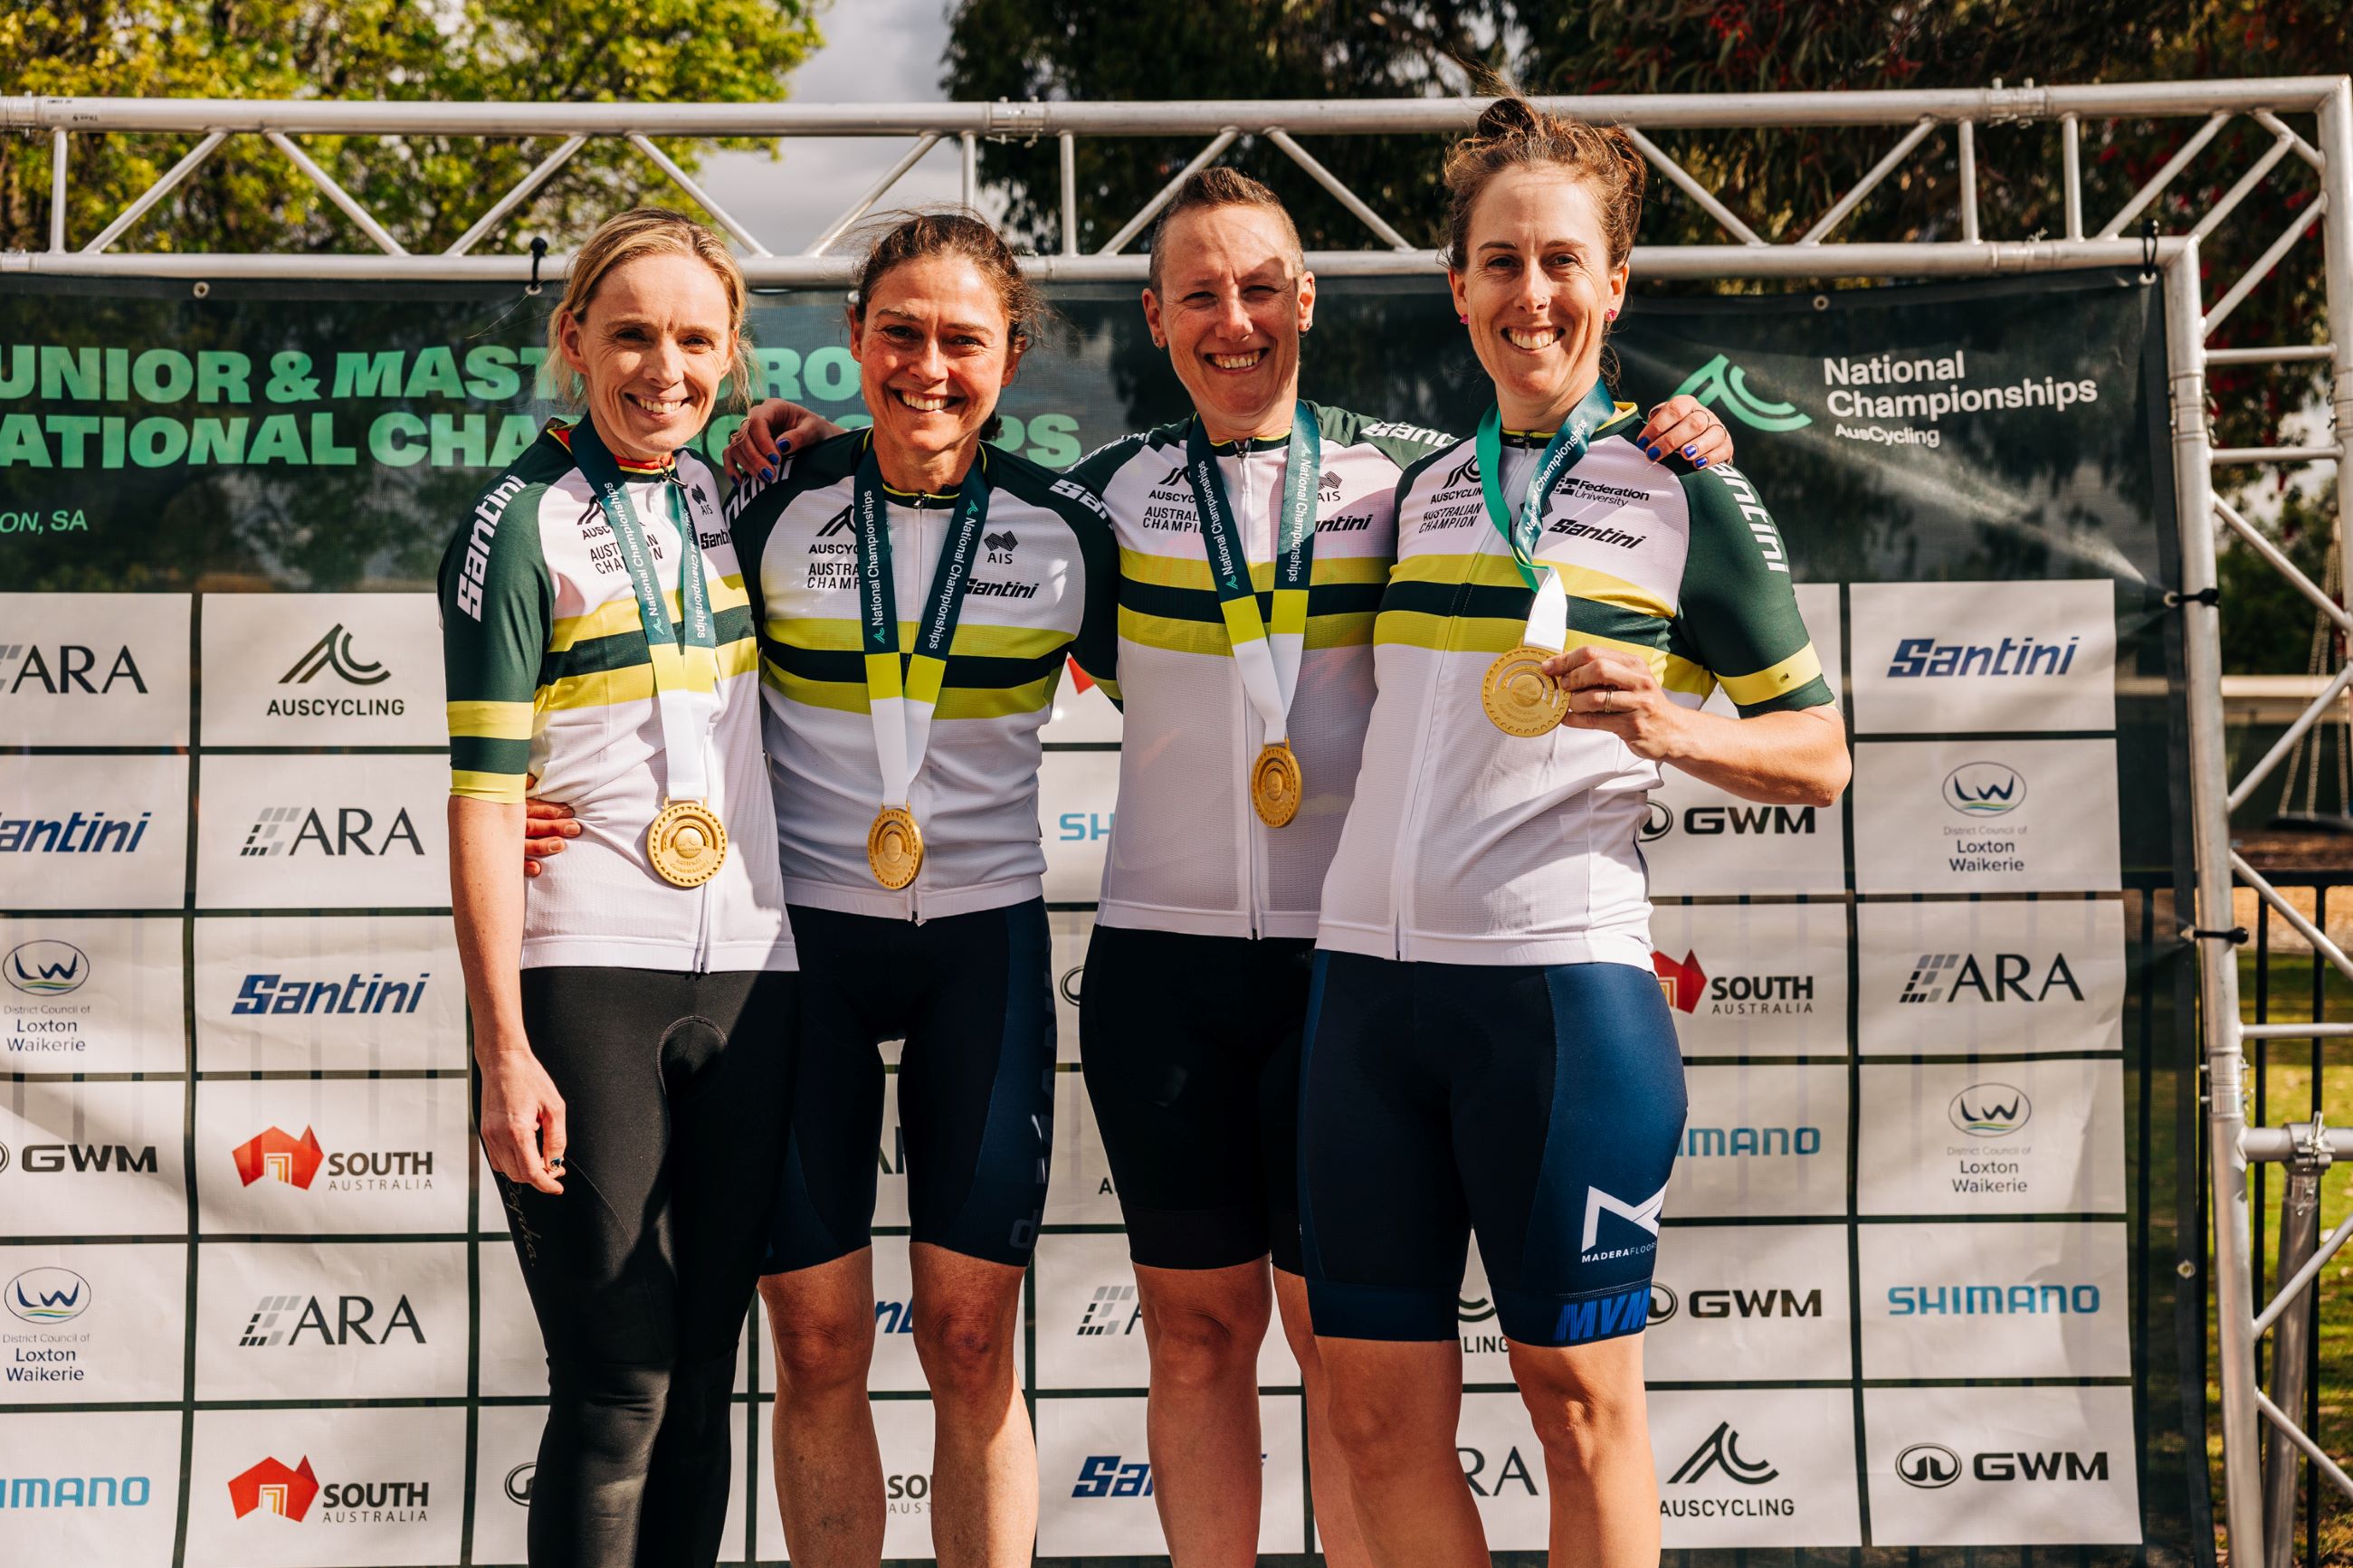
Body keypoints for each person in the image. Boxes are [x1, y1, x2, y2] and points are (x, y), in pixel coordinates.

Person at [712, 174, 1735, 1568]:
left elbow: (1559, 468)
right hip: (1162, 971)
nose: (1233, 319)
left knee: (1349, 1359)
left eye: (1260, 288)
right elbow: (927, 498)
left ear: (1306, 302)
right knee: (1195, 1341)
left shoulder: (1426, 479)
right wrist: (809, 442)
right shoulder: (1104, 501)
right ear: (1155, 319)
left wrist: (1669, 432)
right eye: (1198, 293)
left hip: (1353, 977)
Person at [1296, 100, 1850, 1568]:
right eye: (1497, 262)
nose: (1527, 294)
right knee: (1368, 1413)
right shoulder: (1409, 494)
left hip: (1559, 997)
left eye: (1560, 262)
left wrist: (1672, 726)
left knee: (1580, 1407)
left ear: (1614, 285)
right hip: (1363, 993)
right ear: (1457, 286)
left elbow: (1822, 753)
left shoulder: (1685, 486)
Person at [733, 213, 1114, 1568]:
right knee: (819, 1336)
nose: (928, 366)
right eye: (899, 331)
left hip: (983, 950)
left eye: (963, 338)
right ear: (853, 343)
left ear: (1010, 355)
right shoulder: (769, 495)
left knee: (968, 1338)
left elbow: (1218, 701)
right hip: (804, 952)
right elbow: (633, 641)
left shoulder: (1071, 528)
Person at [442, 206, 796, 1568]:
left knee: (705, 1376)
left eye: (697, 339)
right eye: (632, 333)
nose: (665, 367)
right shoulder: (517, 519)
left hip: (755, 975)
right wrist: (502, 1048)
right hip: (586, 972)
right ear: (571, 341)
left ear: (734, 356)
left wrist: (796, 443)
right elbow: (480, 794)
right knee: (617, 1383)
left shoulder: (735, 495)